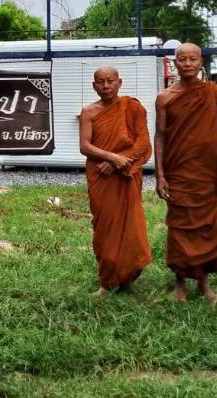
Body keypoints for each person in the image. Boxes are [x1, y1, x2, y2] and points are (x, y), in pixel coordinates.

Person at [154, 43, 217, 304]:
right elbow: (160, 136)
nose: (188, 64)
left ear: (201, 62)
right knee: (180, 227)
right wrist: (160, 175)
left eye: (193, 59)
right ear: (175, 64)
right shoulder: (165, 97)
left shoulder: (214, 94)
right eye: (182, 59)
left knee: (209, 226)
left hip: (209, 173)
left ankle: (204, 283)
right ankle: (179, 283)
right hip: (179, 172)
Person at [79, 66, 152, 296]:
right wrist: (111, 157)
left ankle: (127, 277)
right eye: (101, 82)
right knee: (104, 227)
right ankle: (107, 280)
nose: (106, 86)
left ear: (120, 82)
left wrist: (118, 161)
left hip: (125, 175)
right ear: (94, 86)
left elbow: (142, 143)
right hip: (100, 177)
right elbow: (85, 146)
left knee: (131, 227)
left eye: (110, 81)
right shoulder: (88, 112)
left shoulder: (133, 107)